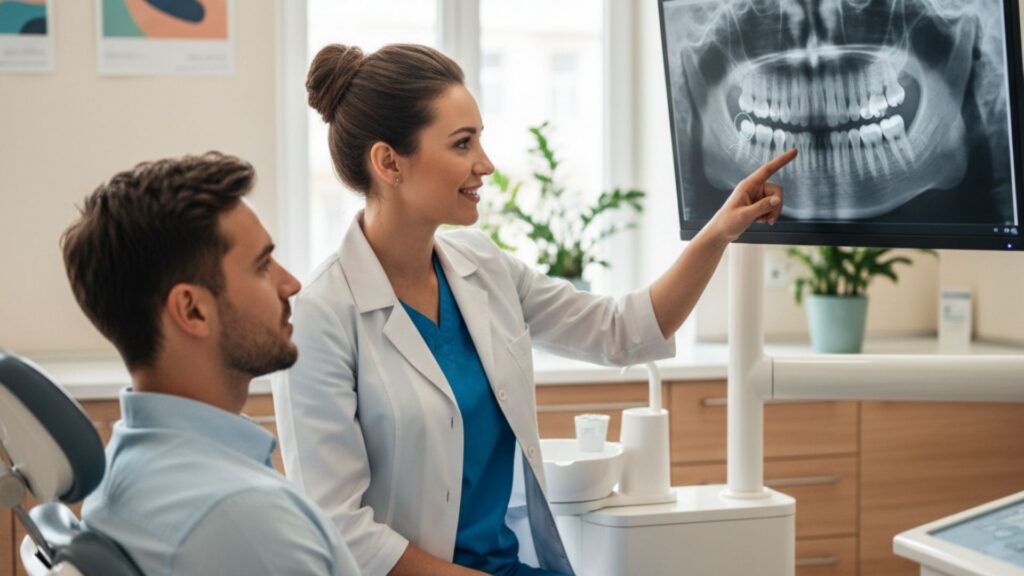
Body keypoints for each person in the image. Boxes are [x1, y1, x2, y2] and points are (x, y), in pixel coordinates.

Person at [272, 43, 795, 576]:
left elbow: (620, 332)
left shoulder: (482, 267)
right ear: (389, 162)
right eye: (462, 143)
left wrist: (720, 230)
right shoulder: (321, 317)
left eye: (480, 139)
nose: (486, 164)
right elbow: (339, 528)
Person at [62, 152, 361, 575]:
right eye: (262, 266)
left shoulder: (129, 464)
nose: (290, 283)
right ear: (193, 310)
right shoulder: (245, 521)